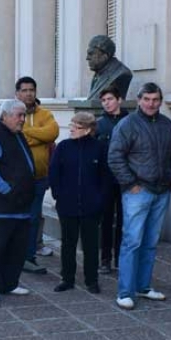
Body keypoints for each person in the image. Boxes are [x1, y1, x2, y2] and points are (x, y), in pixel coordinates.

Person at [107, 82, 171, 310]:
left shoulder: (167, 124)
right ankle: (125, 291)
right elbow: (115, 157)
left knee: (150, 242)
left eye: (155, 99)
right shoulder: (127, 125)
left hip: (161, 190)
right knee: (132, 241)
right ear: (138, 100)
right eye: (147, 99)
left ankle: (143, 286)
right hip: (138, 191)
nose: (151, 103)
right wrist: (130, 183)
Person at [0, 99, 36, 308]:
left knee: (16, 249)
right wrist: (5, 190)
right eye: (19, 115)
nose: (23, 119)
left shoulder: (17, 134)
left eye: (24, 115)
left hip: (21, 206)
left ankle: (10, 283)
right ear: (5, 115)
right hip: (0, 207)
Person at [48, 112, 108, 294]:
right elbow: (54, 172)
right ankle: (67, 279)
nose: (72, 129)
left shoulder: (99, 148)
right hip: (67, 205)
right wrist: (58, 194)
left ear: (88, 130)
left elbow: (105, 177)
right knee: (68, 243)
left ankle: (92, 280)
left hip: (91, 206)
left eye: (77, 126)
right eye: (72, 124)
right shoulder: (63, 147)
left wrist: (100, 199)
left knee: (90, 244)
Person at [15, 77, 59, 274]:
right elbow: (16, 137)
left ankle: (29, 257)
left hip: (40, 177)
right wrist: (38, 137)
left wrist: (28, 132)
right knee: (17, 217)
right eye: (24, 90)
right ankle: (14, 254)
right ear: (17, 93)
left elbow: (52, 133)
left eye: (31, 89)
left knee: (33, 217)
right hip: (17, 178)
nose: (28, 93)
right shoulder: (11, 113)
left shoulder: (46, 114)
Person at [96, 86, 128, 274]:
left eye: (110, 99)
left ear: (119, 100)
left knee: (124, 221)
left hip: (125, 179)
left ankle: (120, 258)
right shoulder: (99, 124)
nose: (107, 103)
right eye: (104, 100)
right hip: (105, 178)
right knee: (106, 220)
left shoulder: (130, 121)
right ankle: (105, 259)